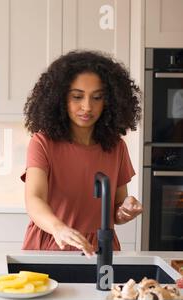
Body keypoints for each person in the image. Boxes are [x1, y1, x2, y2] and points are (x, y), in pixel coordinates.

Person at [21, 50, 143, 257]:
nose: (87, 107)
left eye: (97, 97)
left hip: (102, 249)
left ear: (109, 101)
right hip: (51, 244)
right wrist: (58, 228)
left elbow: (115, 210)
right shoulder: (42, 143)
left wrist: (126, 210)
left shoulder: (116, 147)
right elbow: (34, 199)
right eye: (77, 97)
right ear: (60, 98)